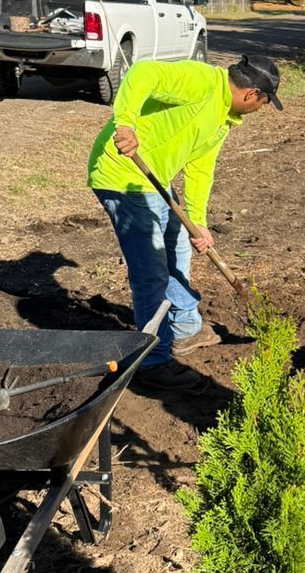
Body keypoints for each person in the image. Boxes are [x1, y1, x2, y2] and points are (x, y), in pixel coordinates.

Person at [88, 53, 281, 392]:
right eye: (264, 104)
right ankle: (152, 361)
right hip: (124, 177)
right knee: (151, 271)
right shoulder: (202, 82)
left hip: (156, 181)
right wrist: (126, 123)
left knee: (178, 244)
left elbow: (200, 168)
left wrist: (198, 221)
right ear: (251, 95)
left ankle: (186, 328)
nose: (261, 110)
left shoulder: (224, 116)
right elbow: (144, 73)